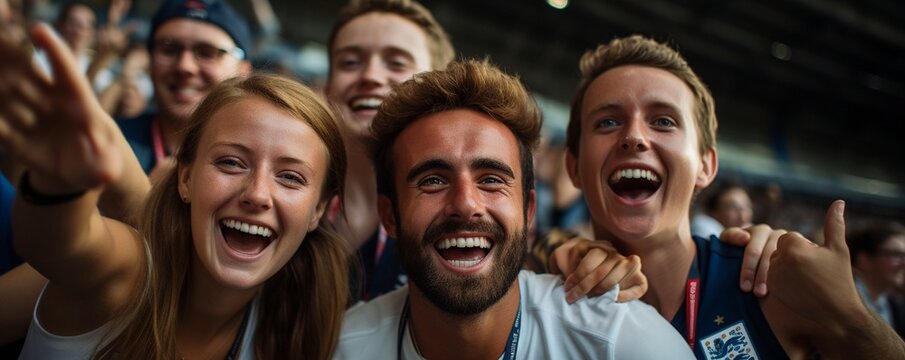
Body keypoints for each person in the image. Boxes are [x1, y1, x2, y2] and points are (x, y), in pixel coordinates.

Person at [0, 21, 349, 359]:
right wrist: (57, 187)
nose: (257, 194)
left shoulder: (292, 327)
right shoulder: (131, 271)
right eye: (231, 162)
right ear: (185, 179)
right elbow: (63, 245)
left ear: (318, 210)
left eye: (291, 177)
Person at [553, 34, 905, 358]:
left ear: (705, 166)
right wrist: (550, 251)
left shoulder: (771, 283)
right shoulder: (550, 299)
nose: (634, 136)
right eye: (608, 122)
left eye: (663, 121)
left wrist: (850, 317)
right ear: (573, 167)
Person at [334, 59, 693, 359]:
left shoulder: (623, 344)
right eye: (433, 181)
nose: (466, 204)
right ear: (389, 215)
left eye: (491, 180)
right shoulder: (342, 349)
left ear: (528, 210)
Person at [324, 0, 454, 300]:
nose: (370, 76)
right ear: (328, 87)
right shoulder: (288, 200)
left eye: (397, 63)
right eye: (349, 63)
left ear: (438, 88)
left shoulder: (458, 218)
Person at [117, 0, 252, 176]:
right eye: (169, 49)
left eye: (207, 52)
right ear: (150, 62)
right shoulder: (110, 146)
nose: (184, 66)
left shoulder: (263, 163)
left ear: (243, 70)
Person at [849, 222, 905, 338]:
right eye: (896, 254)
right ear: (864, 260)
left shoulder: (895, 307)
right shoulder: (844, 301)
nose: (903, 263)